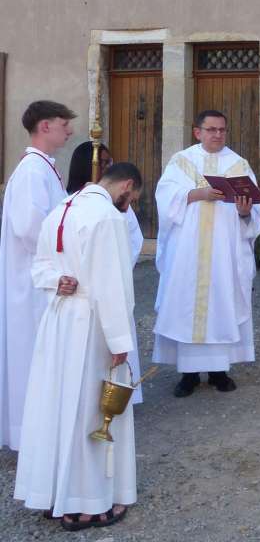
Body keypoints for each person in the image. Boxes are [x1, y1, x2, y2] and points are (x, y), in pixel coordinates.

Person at [14, 162, 142, 530]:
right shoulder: (107, 217)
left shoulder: (62, 208)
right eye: (131, 198)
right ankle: (88, 505)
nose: (129, 204)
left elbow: (39, 265)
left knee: (55, 405)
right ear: (126, 186)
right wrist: (120, 341)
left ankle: (54, 494)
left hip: (58, 320)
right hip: (91, 325)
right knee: (90, 411)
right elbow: (111, 285)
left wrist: (58, 279)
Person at [152, 110, 260, 397]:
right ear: (197, 132)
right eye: (211, 129)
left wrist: (243, 211)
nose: (217, 135)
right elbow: (164, 200)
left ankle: (219, 371)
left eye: (222, 130)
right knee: (186, 305)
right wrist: (197, 194)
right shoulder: (181, 162)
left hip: (224, 254)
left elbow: (253, 213)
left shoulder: (237, 164)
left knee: (221, 305)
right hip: (188, 253)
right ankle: (188, 375)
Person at [0, 100, 75, 450]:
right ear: (44, 126)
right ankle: (31, 435)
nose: (69, 131)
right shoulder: (33, 170)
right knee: (32, 353)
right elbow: (30, 226)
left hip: (39, 275)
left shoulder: (43, 168)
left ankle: (39, 431)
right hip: (33, 282)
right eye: (63, 124)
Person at [67, 140, 145, 403]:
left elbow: (134, 238)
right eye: (102, 163)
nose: (106, 167)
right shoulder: (70, 202)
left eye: (109, 163)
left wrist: (120, 264)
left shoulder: (117, 207)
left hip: (109, 287)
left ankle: (118, 399)